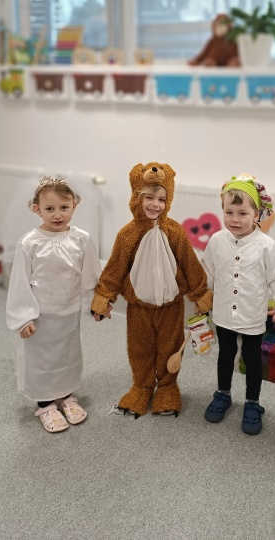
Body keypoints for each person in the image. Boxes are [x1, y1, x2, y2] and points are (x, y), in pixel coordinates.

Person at [90, 162, 212, 417]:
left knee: (170, 346)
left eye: (162, 199)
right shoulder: (127, 234)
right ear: (137, 197)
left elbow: (190, 263)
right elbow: (115, 267)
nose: (155, 204)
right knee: (140, 348)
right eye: (149, 197)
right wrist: (104, 296)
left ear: (169, 200)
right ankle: (142, 386)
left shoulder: (174, 231)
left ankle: (167, 386)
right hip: (139, 306)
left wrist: (200, 293)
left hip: (171, 305)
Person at [200, 173, 275, 435]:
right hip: (223, 314)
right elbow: (207, 271)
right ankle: (223, 393)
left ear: (256, 214)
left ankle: (253, 402)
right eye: (229, 212)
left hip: (252, 315)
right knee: (225, 354)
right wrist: (201, 296)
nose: (235, 219)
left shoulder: (266, 245)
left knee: (252, 360)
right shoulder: (217, 241)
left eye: (242, 213)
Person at [6, 176, 101, 433]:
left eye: (63, 207)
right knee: (42, 358)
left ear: (74, 205)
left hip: (69, 310)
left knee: (68, 353)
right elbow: (19, 282)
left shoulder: (81, 239)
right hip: (40, 314)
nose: (57, 214)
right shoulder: (29, 243)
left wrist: (98, 302)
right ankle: (45, 403)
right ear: (36, 209)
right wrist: (23, 318)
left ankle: (65, 394)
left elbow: (92, 273)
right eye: (49, 209)